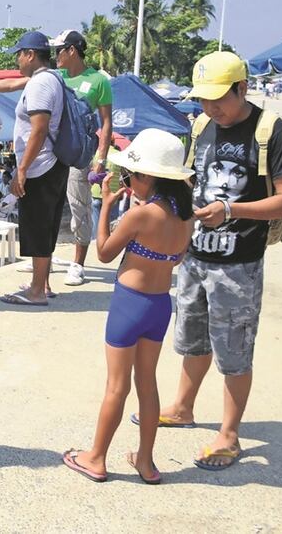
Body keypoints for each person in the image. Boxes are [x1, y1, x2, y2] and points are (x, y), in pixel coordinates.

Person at [149, 52, 282, 471]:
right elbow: (193, 180)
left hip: (239, 263)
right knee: (192, 338)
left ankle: (229, 434)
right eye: (203, 99)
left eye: (218, 99)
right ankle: (182, 406)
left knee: (234, 349)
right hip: (196, 256)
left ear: (242, 88)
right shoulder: (201, 126)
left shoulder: (272, 131)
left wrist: (232, 211)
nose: (210, 108)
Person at [62, 129, 195, 484]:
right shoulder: (186, 216)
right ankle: (147, 462)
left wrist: (106, 206)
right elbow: (178, 258)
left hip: (128, 304)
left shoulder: (140, 216)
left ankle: (96, 457)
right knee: (147, 384)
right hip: (159, 306)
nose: (127, 182)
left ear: (147, 176)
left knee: (116, 386)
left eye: (130, 175)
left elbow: (104, 252)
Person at [0, 31, 68, 305]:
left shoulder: (40, 84)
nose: (18, 59)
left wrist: (22, 169)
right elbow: (10, 84)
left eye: (19, 54)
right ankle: (41, 284)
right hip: (53, 163)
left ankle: (36, 292)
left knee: (37, 226)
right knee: (45, 225)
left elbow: (39, 129)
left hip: (41, 165)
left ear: (30, 55)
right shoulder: (49, 78)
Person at [51, 30, 114, 286]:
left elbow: (107, 122)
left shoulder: (99, 81)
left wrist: (101, 158)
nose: (56, 56)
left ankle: (78, 264)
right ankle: (46, 256)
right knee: (50, 206)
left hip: (80, 155)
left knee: (80, 208)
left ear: (72, 51)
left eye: (59, 51)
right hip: (53, 154)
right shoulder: (55, 77)